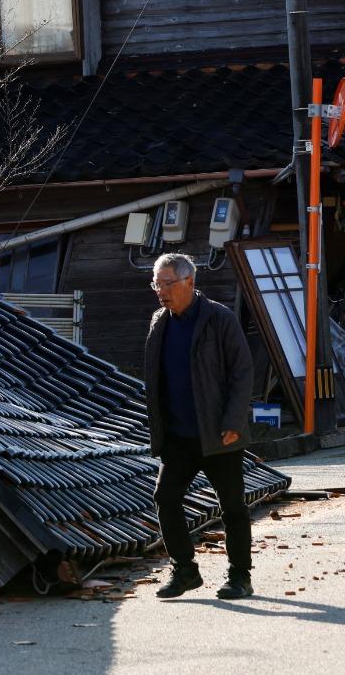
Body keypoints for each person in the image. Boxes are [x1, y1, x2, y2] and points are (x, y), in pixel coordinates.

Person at [143, 252, 254, 600]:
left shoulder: (218, 318)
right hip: (178, 434)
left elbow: (241, 371)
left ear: (190, 282)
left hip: (218, 431)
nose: (161, 290)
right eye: (156, 283)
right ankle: (185, 570)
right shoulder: (159, 321)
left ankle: (239, 576)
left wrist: (234, 420)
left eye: (167, 283)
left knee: (232, 506)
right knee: (165, 498)